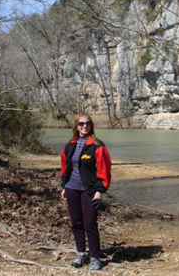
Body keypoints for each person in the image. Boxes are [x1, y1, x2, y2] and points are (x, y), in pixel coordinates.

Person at [60, 113, 112, 271]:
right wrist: (64, 186)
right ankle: (81, 253)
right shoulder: (70, 145)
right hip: (71, 188)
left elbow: (105, 170)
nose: (84, 126)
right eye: (81, 123)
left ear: (91, 126)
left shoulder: (98, 145)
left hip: (88, 190)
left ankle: (95, 257)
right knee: (76, 223)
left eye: (87, 123)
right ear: (76, 126)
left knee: (90, 224)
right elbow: (65, 167)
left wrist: (99, 191)